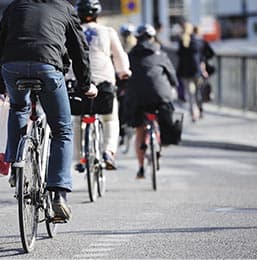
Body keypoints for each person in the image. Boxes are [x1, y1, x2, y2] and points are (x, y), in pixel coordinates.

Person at [0, 0, 97, 221]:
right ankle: (59, 196)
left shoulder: (15, 5)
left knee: (18, 107)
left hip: (11, 66)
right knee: (62, 129)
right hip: (48, 66)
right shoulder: (64, 7)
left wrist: (1, 85)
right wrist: (85, 84)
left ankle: (17, 165)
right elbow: (79, 48)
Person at [75, 0, 132, 170]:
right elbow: (119, 55)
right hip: (104, 81)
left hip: (79, 81)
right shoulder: (107, 31)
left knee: (76, 119)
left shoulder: (73, 31)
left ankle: (80, 159)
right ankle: (108, 151)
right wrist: (124, 71)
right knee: (110, 118)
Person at [125, 24, 178, 178]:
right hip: (160, 97)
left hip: (137, 98)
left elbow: (124, 76)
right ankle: (158, 146)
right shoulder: (161, 54)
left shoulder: (130, 55)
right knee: (161, 120)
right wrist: (173, 85)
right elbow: (173, 77)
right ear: (153, 37)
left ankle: (141, 167)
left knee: (140, 130)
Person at [176, 22, 202, 122]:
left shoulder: (182, 40)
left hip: (185, 71)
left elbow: (179, 54)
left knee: (190, 93)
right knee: (197, 92)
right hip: (196, 70)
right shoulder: (196, 39)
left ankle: (194, 112)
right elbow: (200, 52)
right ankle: (198, 110)